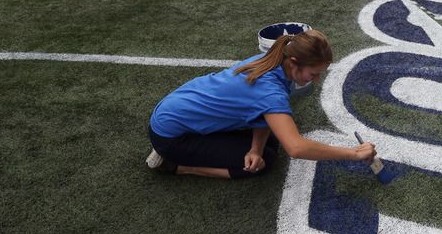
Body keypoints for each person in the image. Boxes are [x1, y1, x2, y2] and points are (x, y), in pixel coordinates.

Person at [146, 29, 376, 179]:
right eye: (313, 73)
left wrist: (255, 149)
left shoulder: (272, 61)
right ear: (294, 63)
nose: (316, 80)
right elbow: (296, 148)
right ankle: (176, 165)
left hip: (174, 113)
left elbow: (261, 113)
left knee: (267, 146)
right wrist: (353, 154)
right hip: (171, 138)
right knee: (263, 163)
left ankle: (230, 150)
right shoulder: (269, 92)